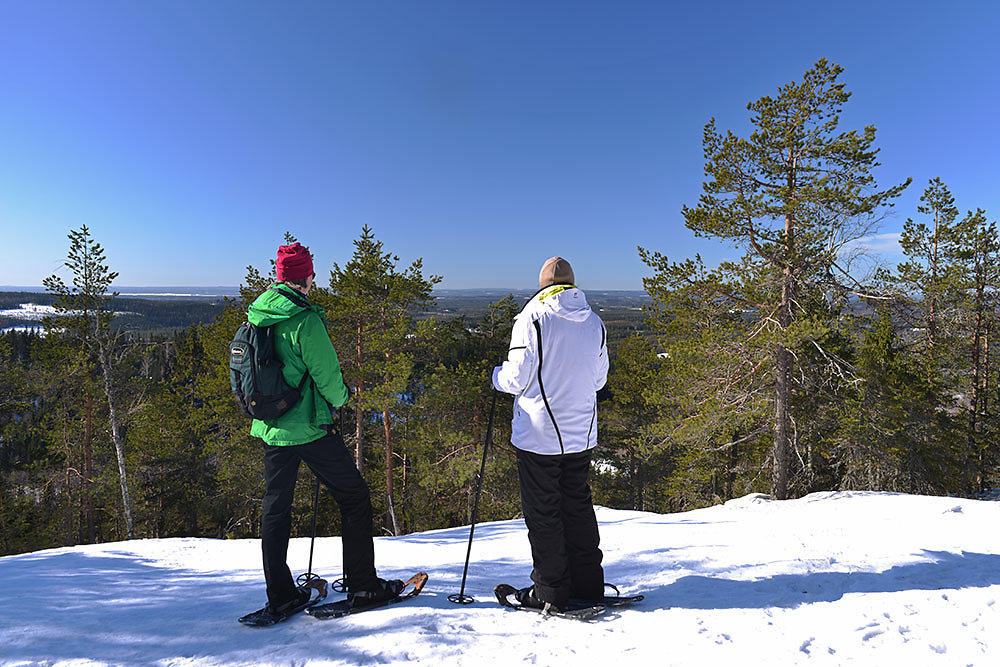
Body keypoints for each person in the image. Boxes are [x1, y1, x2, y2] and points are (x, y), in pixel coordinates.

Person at [248, 241, 402, 617]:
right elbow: (330, 381)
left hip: (271, 428)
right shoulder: (305, 320)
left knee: (276, 511)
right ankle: (363, 586)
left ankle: (280, 594)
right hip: (310, 429)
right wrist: (344, 398)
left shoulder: (257, 314)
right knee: (354, 497)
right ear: (308, 277)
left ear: (280, 276)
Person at [492, 256, 610, 612]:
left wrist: (495, 374)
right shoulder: (595, 321)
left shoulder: (532, 318)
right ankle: (589, 584)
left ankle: (550, 590)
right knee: (577, 508)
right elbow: (599, 380)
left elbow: (516, 378)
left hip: (539, 434)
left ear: (544, 286)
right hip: (581, 433)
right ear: (573, 285)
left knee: (544, 514)